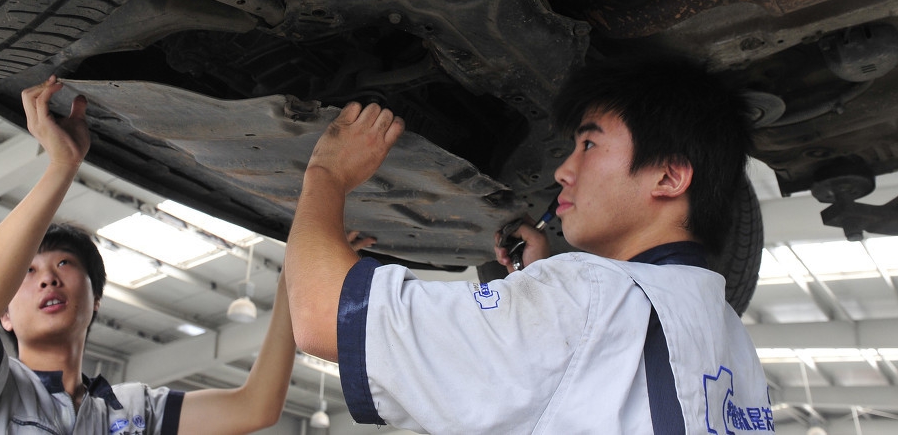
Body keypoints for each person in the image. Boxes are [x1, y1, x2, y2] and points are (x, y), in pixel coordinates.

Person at [284, 55, 771, 434]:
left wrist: (328, 174)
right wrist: (536, 286)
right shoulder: (725, 330)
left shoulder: (588, 294)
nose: (563, 170)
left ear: (668, 176)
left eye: (589, 145)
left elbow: (322, 319)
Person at [0, 76, 297, 435]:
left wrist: (296, 273)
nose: (48, 278)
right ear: (3, 316)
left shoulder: (130, 411)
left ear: (96, 299)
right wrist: (62, 165)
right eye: (27, 272)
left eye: (64, 263)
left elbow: (254, 407)